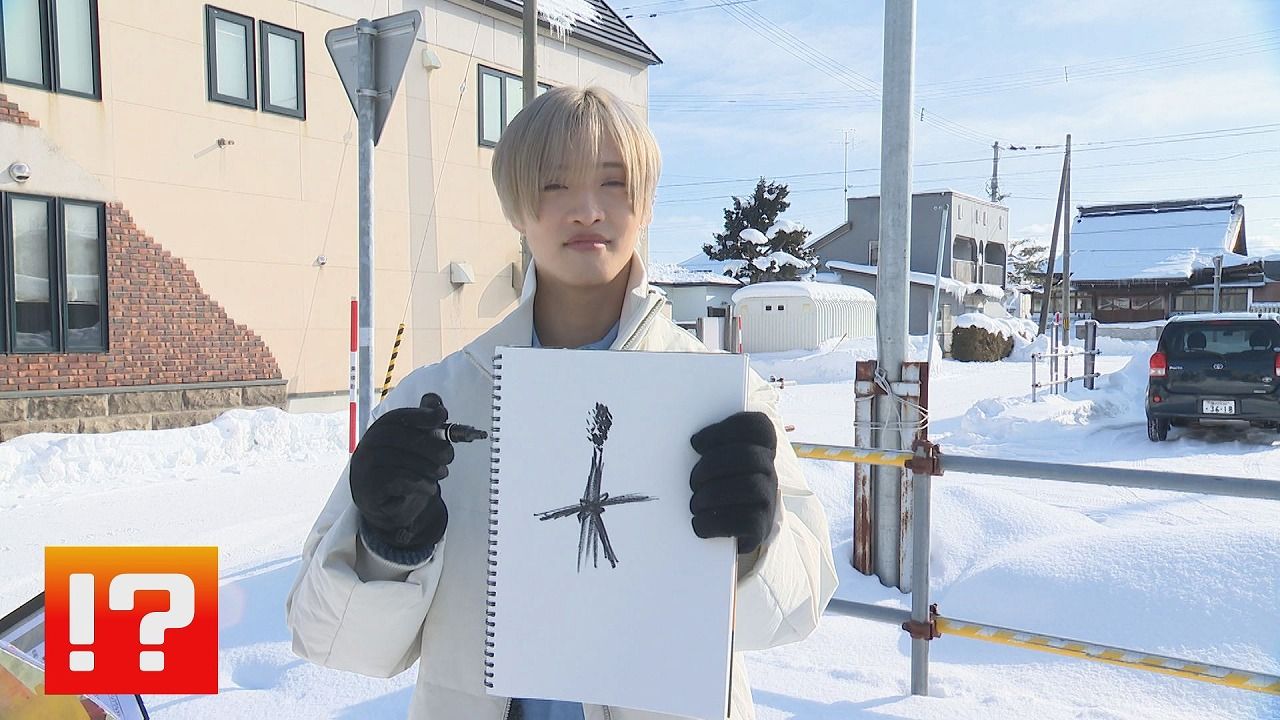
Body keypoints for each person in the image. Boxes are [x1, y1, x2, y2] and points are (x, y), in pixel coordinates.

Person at [286, 85, 838, 720]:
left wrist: (754, 544)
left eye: (613, 183)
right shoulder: (438, 403)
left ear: (645, 204)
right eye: (554, 185)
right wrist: (387, 541)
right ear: (517, 206)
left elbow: (798, 608)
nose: (587, 211)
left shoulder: (721, 400)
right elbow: (327, 636)